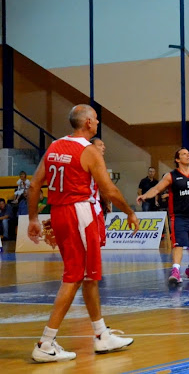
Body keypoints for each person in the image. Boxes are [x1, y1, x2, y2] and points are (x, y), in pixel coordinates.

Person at [27, 104, 140, 363]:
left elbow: (34, 185)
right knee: (74, 277)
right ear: (88, 122)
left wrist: (33, 218)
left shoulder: (54, 146)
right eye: (96, 119)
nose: (98, 123)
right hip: (80, 213)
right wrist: (129, 212)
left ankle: (101, 335)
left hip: (60, 212)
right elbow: (109, 190)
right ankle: (46, 342)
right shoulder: (88, 151)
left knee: (89, 276)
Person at [137, 148, 189, 283]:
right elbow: (156, 189)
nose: (188, 155)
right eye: (184, 154)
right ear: (177, 159)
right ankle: (175, 271)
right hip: (179, 216)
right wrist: (144, 195)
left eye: (188, 154)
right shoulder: (171, 176)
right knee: (178, 244)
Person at [90, 137, 111, 247]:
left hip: (91, 204)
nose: (104, 147)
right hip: (90, 204)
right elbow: (104, 186)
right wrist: (107, 202)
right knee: (95, 240)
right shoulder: (95, 163)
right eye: (100, 145)